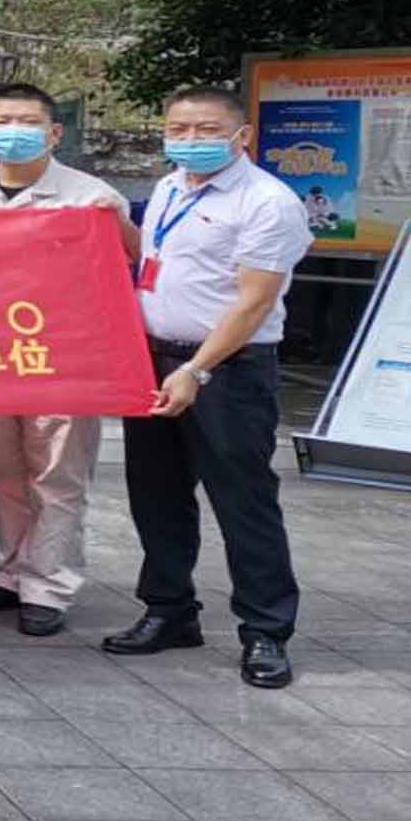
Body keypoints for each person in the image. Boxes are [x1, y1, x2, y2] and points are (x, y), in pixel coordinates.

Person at [107, 84, 312, 689]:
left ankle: (266, 631)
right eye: (178, 130)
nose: (190, 140)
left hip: (227, 370)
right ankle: (169, 610)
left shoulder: (267, 202)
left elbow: (253, 302)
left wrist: (196, 370)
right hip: (154, 361)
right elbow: (154, 264)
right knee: (157, 494)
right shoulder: (171, 187)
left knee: (243, 501)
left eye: (206, 130)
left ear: (241, 136)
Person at [0, 83, 137, 638]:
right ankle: (12, 571)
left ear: (54, 133)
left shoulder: (91, 194)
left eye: (28, 121)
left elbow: (134, 257)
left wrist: (117, 225)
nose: (15, 131)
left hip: (63, 357)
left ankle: (48, 585)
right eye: (3, 120)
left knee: (57, 474)